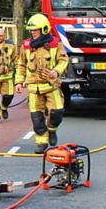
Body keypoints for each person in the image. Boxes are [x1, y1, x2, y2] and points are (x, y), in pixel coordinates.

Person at [15, 14, 68, 152]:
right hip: (34, 88)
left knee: (57, 113)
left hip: (51, 86)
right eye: (31, 30)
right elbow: (21, 64)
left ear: (44, 29)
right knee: (37, 117)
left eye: (36, 30)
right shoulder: (26, 45)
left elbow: (63, 61)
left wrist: (56, 71)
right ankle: (41, 143)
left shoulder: (55, 44)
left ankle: (52, 130)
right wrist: (19, 82)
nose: (33, 32)